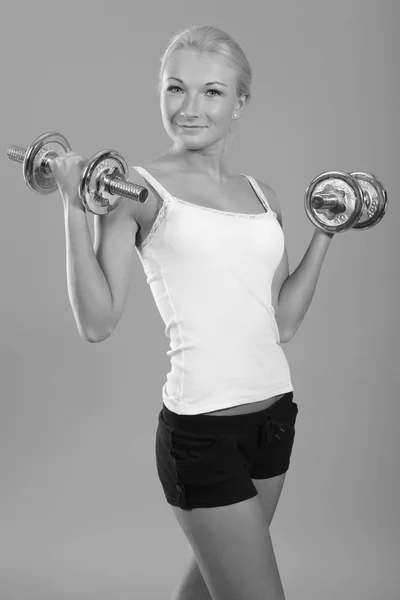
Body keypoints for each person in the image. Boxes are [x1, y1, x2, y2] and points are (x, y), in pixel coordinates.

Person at [53, 24, 334, 600]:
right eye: (175, 88)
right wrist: (73, 207)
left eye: (211, 92)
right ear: (160, 92)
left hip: (274, 420)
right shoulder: (138, 188)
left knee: (209, 590)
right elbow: (97, 321)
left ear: (240, 103)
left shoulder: (263, 195)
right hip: (202, 433)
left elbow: (282, 321)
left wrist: (326, 233)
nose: (189, 108)